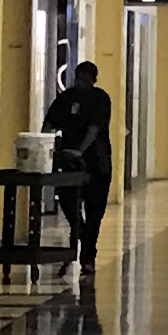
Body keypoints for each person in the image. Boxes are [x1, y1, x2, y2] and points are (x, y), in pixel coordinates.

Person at [47, 60, 115, 281]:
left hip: (89, 163)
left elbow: (94, 129)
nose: (82, 83)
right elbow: (49, 126)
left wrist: (76, 151)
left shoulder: (89, 98)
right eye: (81, 79)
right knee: (85, 212)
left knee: (86, 213)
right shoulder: (72, 98)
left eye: (84, 79)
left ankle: (85, 250)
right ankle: (86, 250)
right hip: (90, 164)